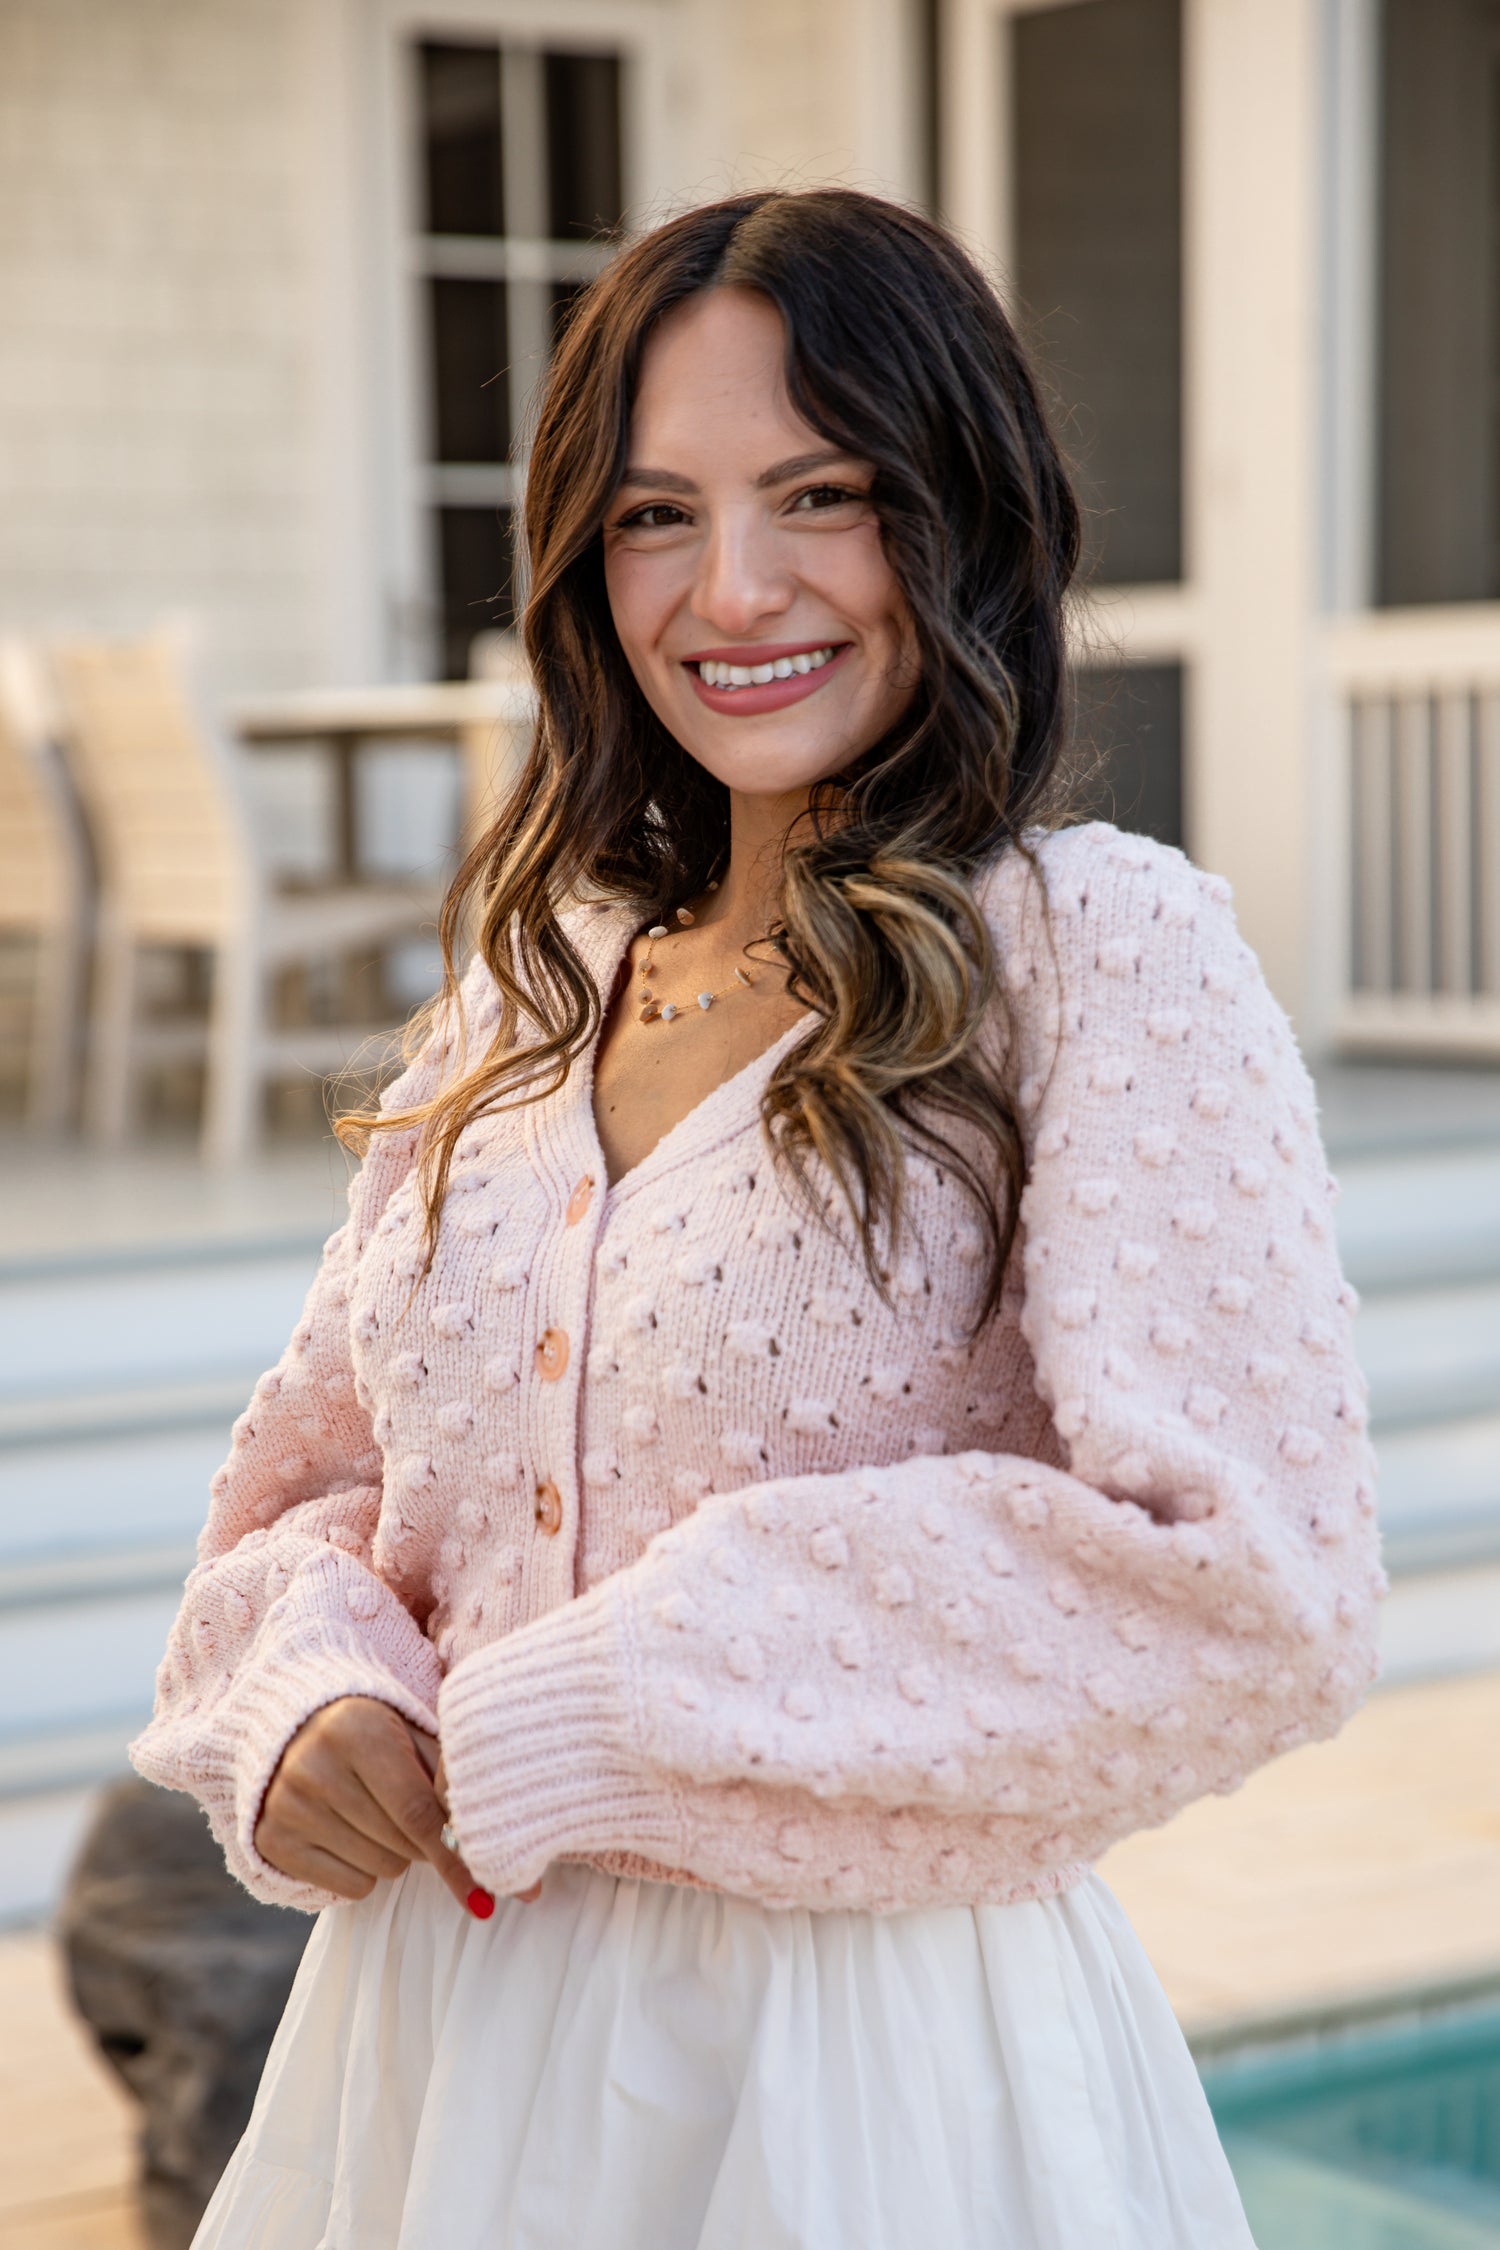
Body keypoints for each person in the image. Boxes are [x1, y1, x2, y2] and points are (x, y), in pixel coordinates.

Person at [133, 188, 1382, 2248]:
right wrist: (308, 1692)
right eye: (650, 515)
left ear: (956, 513)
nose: (732, 589)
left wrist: (613, 1697)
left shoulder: (1097, 955)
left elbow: (1259, 1582)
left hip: (856, 2088)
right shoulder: (523, 1001)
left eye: (823, 493)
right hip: (433, 2049)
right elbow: (294, 1505)